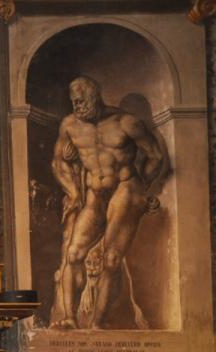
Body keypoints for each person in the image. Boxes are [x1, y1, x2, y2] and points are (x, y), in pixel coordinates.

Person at [50, 75, 165, 330]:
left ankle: (98, 323)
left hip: (125, 188)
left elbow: (155, 156)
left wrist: (142, 189)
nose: (76, 107)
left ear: (93, 98)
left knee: (111, 259)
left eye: (80, 102)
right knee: (72, 253)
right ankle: (69, 318)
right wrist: (73, 191)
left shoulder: (126, 122)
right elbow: (58, 163)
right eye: (73, 103)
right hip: (94, 194)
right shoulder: (69, 125)